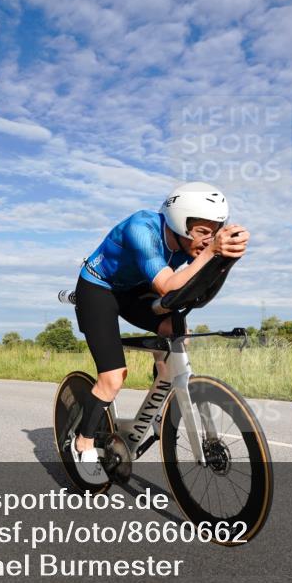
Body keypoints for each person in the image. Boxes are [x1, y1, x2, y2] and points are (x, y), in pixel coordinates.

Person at [69, 182, 249, 476]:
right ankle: (83, 440)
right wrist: (213, 252)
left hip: (135, 289)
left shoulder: (191, 242)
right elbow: (167, 286)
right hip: (98, 288)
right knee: (113, 379)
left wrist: (227, 259)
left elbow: (198, 290)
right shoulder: (141, 229)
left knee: (176, 329)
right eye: (203, 232)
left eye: (215, 232)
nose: (208, 240)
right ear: (179, 221)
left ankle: (159, 401)